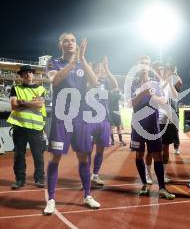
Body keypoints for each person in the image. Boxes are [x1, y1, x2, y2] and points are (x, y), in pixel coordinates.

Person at [44, 34, 100, 215]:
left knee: (84, 156)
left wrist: (82, 59)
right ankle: (51, 199)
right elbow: (55, 80)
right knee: (55, 157)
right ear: (59, 44)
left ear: (76, 44)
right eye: (65, 40)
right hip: (61, 118)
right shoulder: (53, 62)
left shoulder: (82, 62)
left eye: (72, 40)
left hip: (80, 118)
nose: (69, 43)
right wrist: (72, 62)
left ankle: (87, 195)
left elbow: (94, 82)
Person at [130, 59, 175, 199]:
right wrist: (143, 93)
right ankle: (144, 184)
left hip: (152, 125)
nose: (144, 65)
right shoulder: (134, 84)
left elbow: (163, 101)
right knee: (139, 155)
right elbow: (132, 102)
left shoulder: (156, 83)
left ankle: (162, 188)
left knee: (157, 155)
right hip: (137, 125)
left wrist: (152, 95)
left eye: (146, 63)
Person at [8, 65, 46, 189]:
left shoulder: (40, 88)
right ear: (21, 75)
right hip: (19, 127)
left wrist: (22, 101)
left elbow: (39, 104)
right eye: (25, 72)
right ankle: (20, 180)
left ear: (33, 74)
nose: (28, 74)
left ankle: (39, 178)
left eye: (30, 72)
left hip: (36, 128)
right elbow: (14, 106)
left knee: (38, 155)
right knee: (19, 155)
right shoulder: (15, 88)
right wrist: (32, 103)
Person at [89, 56, 118, 187]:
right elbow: (92, 84)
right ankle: (85, 174)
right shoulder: (87, 80)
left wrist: (107, 69)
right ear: (92, 69)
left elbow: (115, 85)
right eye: (98, 68)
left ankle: (95, 174)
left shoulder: (105, 83)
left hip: (104, 120)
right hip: (88, 120)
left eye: (102, 68)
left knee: (100, 150)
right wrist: (97, 73)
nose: (101, 71)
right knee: (87, 150)